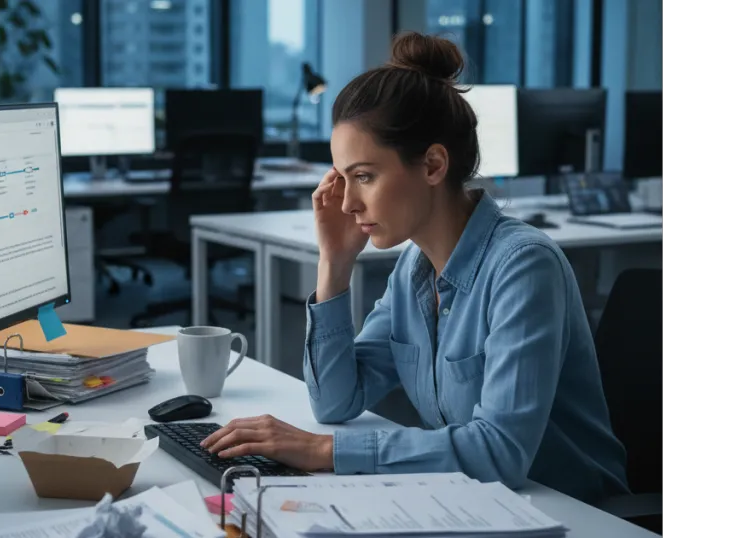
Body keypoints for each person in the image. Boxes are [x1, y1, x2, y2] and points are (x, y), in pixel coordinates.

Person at [200, 31, 630, 505]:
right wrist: (335, 265)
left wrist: (324, 450)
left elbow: (500, 452)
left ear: (432, 165)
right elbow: (336, 401)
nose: (347, 202)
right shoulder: (414, 269)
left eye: (364, 176)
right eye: (342, 179)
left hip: (574, 511)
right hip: (477, 504)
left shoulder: (524, 266)